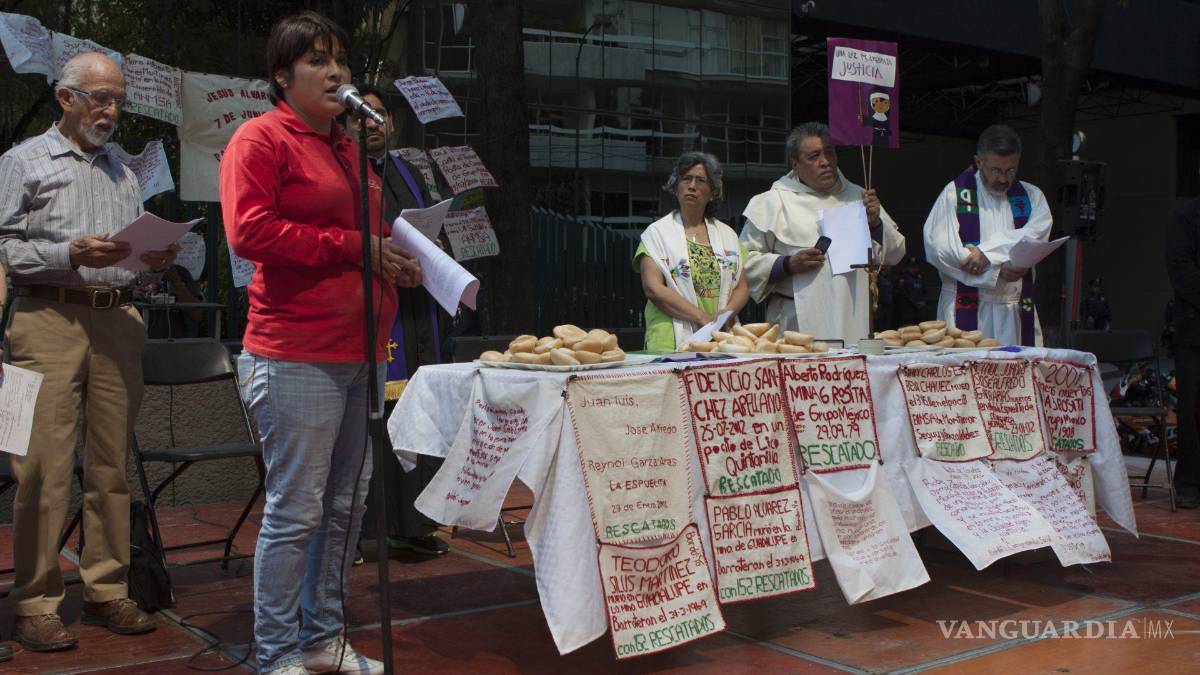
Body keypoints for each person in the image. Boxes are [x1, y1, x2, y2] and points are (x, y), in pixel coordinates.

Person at [219, 12, 421, 674]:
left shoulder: (347, 148)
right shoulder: (260, 139)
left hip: (358, 349)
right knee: (297, 511)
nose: (336, 72)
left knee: (344, 509)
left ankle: (323, 638)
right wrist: (358, 247)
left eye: (342, 61)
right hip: (295, 352)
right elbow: (251, 234)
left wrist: (395, 257)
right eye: (318, 61)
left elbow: (361, 239)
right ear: (283, 76)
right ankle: (276, 651)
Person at [0, 52, 179, 651]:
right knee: (42, 468)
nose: (110, 111)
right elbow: (3, 251)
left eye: (119, 101)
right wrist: (66, 254)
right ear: (65, 98)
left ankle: (107, 591)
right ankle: (35, 602)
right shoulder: (22, 161)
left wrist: (152, 263)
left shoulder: (123, 172)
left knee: (111, 468)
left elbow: (126, 256)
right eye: (100, 98)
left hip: (117, 320)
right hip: (44, 318)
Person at [341, 83, 449, 558]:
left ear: (392, 123)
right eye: (361, 116)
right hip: (371, 305)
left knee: (417, 413)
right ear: (345, 125)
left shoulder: (407, 169)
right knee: (375, 421)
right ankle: (364, 531)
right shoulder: (341, 171)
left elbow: (425, 222)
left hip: (416, 304)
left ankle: (413, 523)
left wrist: (436, 247)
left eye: (379, 115)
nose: (371, 124)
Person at [741, 122, 905, 344]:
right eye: (814, 156)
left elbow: (895, 254)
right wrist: (787, 264)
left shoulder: (860, 197)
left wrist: (875, 224)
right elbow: (742, 264)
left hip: (853, 317)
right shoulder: (771, 202)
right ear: (795, 164)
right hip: (796, 320)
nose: (825, 162)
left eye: (830, 153)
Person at [922, 124, 1052, 346]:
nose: (1003, 179)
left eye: (1011, 170)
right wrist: (997, 269)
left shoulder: (1031, 196)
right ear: (978, 161)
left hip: (1015, 309)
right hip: (965, 308)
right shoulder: (955, 194)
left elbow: (1033, 237)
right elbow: (940, 248)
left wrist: (987, 253)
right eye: (995, 170)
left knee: (1016, 378)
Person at [636, 152, 748, 352]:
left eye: (701, 180)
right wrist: (703, 318)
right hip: (668, 340)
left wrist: (725, 315)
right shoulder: (656, 234)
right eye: (686, 178)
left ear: (713, 192)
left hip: (719, 338)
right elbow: (653, 288)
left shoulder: (728, 235)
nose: (692, 186)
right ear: (675, 187)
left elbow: (742, 287)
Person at [1165, 196, 1200, 509]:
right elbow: (1180, 267)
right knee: (1192, 409)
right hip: (1195, 329)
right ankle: (1190, 483)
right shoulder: (1186, 217)